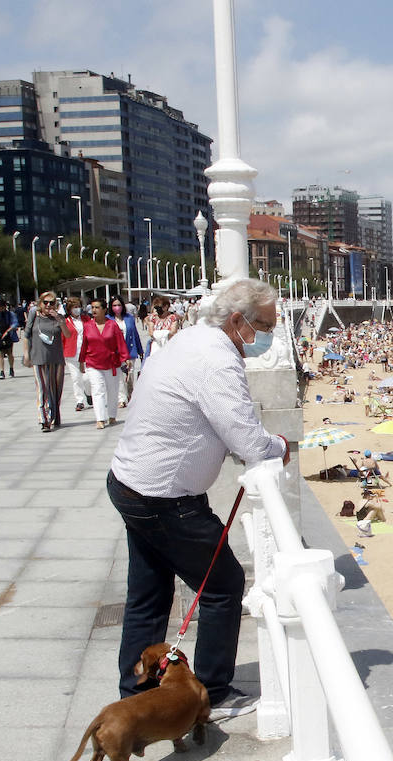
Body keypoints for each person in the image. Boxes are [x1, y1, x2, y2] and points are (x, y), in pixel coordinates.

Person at [106, 278, 289, 718]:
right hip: (164, 496)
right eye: (264, 325)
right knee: (223, 585)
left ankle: (137, 696)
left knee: (148, 593)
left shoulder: (190, 338)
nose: (268, 336)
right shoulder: (216, 360)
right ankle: (212, 693)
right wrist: (280, 446)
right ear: (237, 320)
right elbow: (246, 437)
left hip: (131, 482)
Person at [22, 292, 73, 432]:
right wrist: (26, 354)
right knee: (42, 389)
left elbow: (67, 335)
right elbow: (26, 335)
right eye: (45, 302)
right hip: (39, 358)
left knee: (56, 390)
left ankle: (54, 416)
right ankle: (44, 420)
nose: (48, 305)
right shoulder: (34, 316)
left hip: (56, 358)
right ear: (40, 303)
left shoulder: (59, 318)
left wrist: (59, 319)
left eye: (51, 303)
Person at [78, 300, 131, 430]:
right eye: (92, 308)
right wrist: (81, 361)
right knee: (97, 391)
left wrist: (126, 358)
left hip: (111, 363)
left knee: (112, 391)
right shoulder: (88, 326)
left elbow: (120, 343)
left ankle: (112, 415)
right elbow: (84, 344)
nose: (94, 310)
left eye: (97, 308)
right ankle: (100, 418)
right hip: (93, 363)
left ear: (104, 310)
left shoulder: (112, 325)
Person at [110, 297, 145, 409]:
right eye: (114, 305)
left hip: (129, 350)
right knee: (120, 377)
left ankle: (130, 394)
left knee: (129, 375)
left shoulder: (129, 318)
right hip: (115, 352)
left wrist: (140, 350)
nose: (117, 307)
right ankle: (122, 398)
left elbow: (135, 334)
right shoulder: (108, 319)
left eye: (119, 305)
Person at [63, 298, 89, 413]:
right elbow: (62, 338)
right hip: (72, 354)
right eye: (74, 307)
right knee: (76, 378)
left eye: (78, 306)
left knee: (87, 378)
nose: (77, 309)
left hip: (86, 353)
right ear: (69, 309)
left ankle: (88, 393)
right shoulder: (65, 322)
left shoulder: (86, 319)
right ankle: (79, 400)